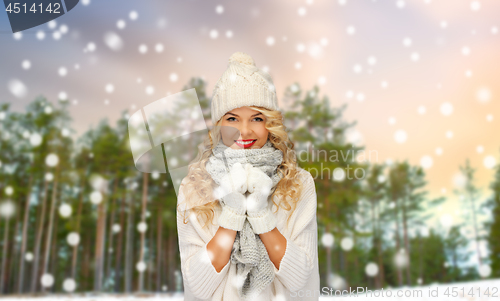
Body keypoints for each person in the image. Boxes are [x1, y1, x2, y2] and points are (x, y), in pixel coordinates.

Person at [176, 51, 320, 300]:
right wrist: (232, 213)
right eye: (232, 118)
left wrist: (259, 212)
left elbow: (301, 280)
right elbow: (197, 288)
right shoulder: (194, 187)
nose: (244, 130)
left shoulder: (298, 183)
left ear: (270, 123)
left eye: (256, 118)